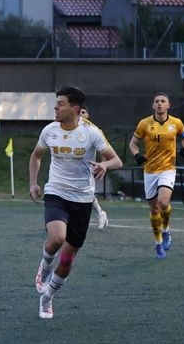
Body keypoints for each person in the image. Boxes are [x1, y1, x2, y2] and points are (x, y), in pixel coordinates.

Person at [29, 86, 123, 319]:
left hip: (82, 199)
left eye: (60, 103)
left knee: (68, 259)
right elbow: (36, 155)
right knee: (57, 238)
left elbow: (116, 160)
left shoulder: (91, 132)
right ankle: (44, 265)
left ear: (75, 109)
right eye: (56, 103)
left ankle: (47, 299)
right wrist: (33, 183)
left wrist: (104, 165)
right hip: (56, 192)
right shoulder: (50, 130)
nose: (55, 107)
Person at [128, 93, 184, 259]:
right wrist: (137, 155)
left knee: (163, 203)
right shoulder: (144, 123)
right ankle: (158, 243)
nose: (160, 104)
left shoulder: (176, 123)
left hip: (168, 168)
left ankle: (166, 230)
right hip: (150, 171)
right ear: (153, 106)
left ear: (169, 105)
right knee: (154, 209)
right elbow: (133, 143)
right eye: (157, 101)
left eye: (163, 101)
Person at [79, 107, 109, 229]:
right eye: (79, 112)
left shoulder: (95, 130)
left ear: (88, 115)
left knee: (87, 194)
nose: (80, 114)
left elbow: (105, 149)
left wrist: (103, 165)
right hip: (69, 168)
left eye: (83, 112)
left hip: (87, 168)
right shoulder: (68, 128)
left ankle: (101, 213)